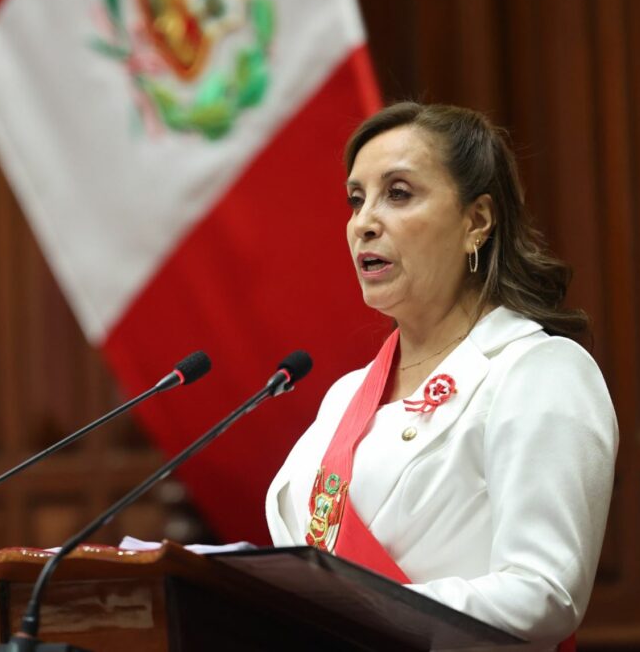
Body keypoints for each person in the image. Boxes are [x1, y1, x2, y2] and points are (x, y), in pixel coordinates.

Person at [265, 102, 618, 650]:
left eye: (398, 194)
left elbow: (546, 592)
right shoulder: (344, 397)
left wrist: (362, 612)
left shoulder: (537, 372)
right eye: (356, 199)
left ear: (476, 221)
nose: (364, 222)